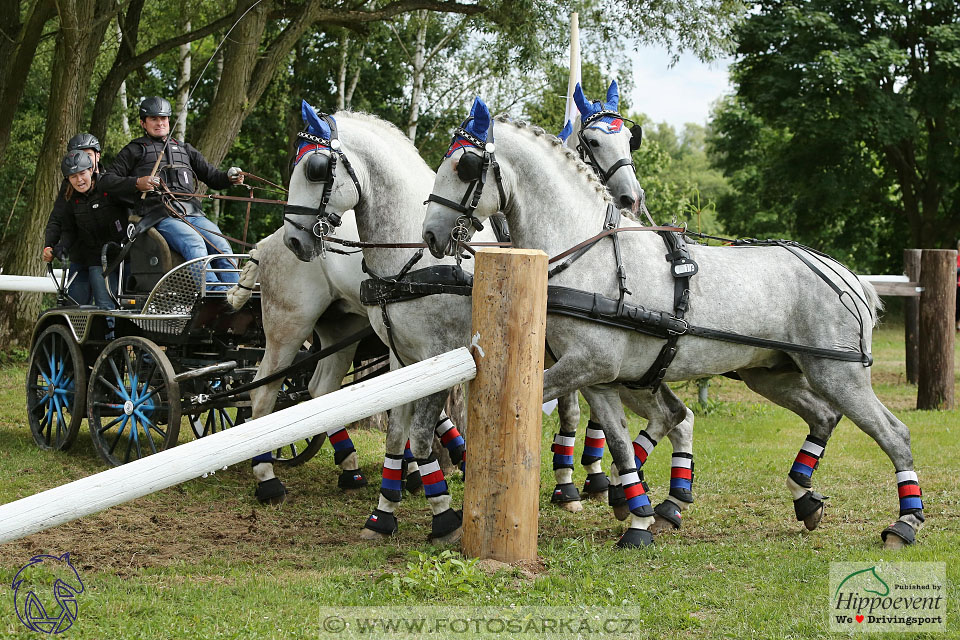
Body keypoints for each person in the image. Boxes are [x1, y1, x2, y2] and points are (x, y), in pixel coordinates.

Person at [105, 96, 244, 290]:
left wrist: (229, 177)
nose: (160, 123)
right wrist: (137, 182)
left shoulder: (184, 149)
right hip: (160, 216)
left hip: (193, 214)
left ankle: (236, 293)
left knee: (222, 246)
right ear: (143, 123)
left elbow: (213, 177)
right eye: (154, 119)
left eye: (163, 118)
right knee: (194, 243)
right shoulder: (134, 150)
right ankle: (214, 292)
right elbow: (107, 181)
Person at [43, 150, 135, 318]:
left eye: (82, 173)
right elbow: (69, 230)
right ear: (67, 179)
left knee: (132, 306)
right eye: (73, 177)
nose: (79, 180)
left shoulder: (108, 186)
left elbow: (136, 202)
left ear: (91, 170)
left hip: (125, 256)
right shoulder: (70, 199)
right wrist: (61, 247)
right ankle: (108, 341)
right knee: (105, 308)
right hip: (97, 260)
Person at [42, 133, 108, 304]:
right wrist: (50, 244)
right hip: (80, 255)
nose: (82, 158)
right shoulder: (69, 186)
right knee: (76, 308)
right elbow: (57, 218)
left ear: (97, 155)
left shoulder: (110, 180)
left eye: (88, 154)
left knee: (108, 309)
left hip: (108, 258)